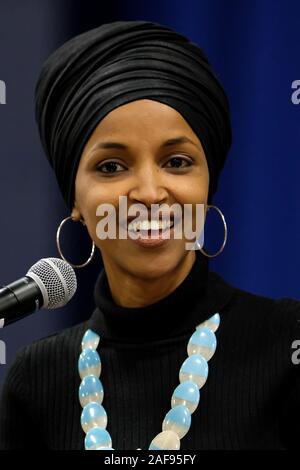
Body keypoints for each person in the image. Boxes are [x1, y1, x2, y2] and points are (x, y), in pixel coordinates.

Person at [0, 20, 299, 451]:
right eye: (111, 167)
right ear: (76, 202)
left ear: (207, 185)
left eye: (177, 162)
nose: (148, 193)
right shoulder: (37, 380)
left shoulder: (287, 347)